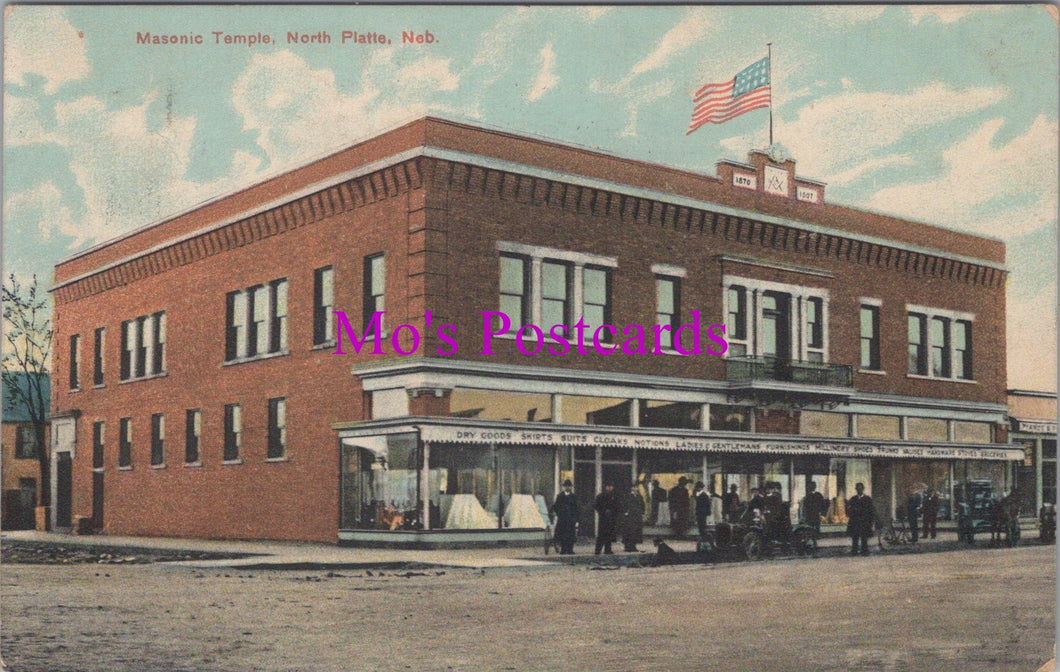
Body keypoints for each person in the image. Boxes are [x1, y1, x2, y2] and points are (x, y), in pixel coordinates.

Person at [550, 479, 579, 554]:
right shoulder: (560, 496)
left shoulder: (574, 496)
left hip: (571, 519)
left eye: (569, 486)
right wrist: (560, 514)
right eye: (566, 486)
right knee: (562, 534)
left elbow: (576, 508)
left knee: (571, 535)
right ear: (564, 487)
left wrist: (576, 519)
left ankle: (570, 549)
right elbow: (556, 507)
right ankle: (563, 549)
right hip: (562, 519)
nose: (568, 488)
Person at [846, 482, 875, 556]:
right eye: (858, 488)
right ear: (856, 489)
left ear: (863, 489)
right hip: (855, 521)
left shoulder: (867, 499)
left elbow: (871, 511)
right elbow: (849, 510)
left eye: (861, 488)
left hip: (864, 521)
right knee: (855, 537)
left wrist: (870, 521)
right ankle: (854, 550)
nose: (859, 490)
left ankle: (864, 551)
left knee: (864, 537)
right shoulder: (853, 499)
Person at [594, 483, 621, 555]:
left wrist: (613, 514)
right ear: (605, 487)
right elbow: (596, 506)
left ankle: (608, 549)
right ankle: (597, 550)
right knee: (601, 535)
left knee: (609, 534)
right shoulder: (600, 496)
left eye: (611, 486)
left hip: (611, 519)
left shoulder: (614, 497)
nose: (610, 488)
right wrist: (603, 512)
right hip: (603, 519)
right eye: (608, 486)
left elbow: (617, 507)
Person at [620, 485, 646, 552]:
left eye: (636, 487)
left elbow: (642, 505)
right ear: (631, 489)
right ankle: (627, 546)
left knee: (636, 532)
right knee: (629, 531)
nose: (635, 489)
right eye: (633, 487)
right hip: (630, 517)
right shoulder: (627, 496)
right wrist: (626, 512)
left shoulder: (639, 496)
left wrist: (642, 513)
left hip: (637, 516)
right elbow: (623, 505)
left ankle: (633, 546)